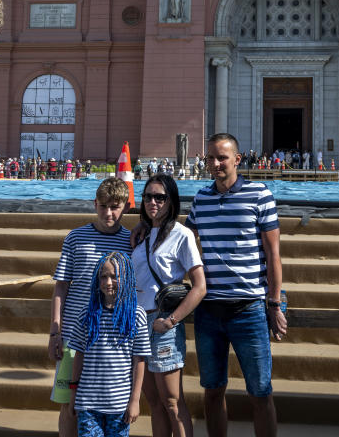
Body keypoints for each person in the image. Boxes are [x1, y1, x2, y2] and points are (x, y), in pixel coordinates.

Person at [187, 133, 286, 437]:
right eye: (210, 158)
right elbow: (182, 243)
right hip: (209, 311)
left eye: (222, 158)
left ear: (238, 160)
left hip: (249, 310)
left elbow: (273, 254)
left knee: (260, 393)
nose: (215, 164)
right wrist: (143, 227)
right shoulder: (200, 199)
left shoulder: (260, 195)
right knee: (213, 391)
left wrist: (273, 303)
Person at [49, 178, 135, 437]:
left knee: (111, 408)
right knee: (69, 406)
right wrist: (56, 331)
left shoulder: (131, 242)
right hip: (75, 338)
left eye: (115, 207)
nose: (109, 213)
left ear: (125, 208)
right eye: (104, 206)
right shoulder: (76, 237)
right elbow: (61, 287)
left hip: (111, 341)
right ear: (95, 204)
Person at [131, 174, 206, 436]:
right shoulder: (140, 234)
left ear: (171, 201)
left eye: (160, 197)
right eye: (148, 196)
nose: (153, 202)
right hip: (139, 324)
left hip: (164, 324)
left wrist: (172, 320)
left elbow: (200, 286)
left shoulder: (182, 235)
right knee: (154, 403)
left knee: (173, 402)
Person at [67, 251, 150, 437]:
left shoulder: (136, 316)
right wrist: (73, 394)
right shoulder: (86, 316)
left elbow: (139, 360)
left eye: (114, 276)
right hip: (87, 403)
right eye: (103, 277)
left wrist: (135, 401)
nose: (108, 282)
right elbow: (78, 355)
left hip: (119, 404)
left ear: (126, 278)